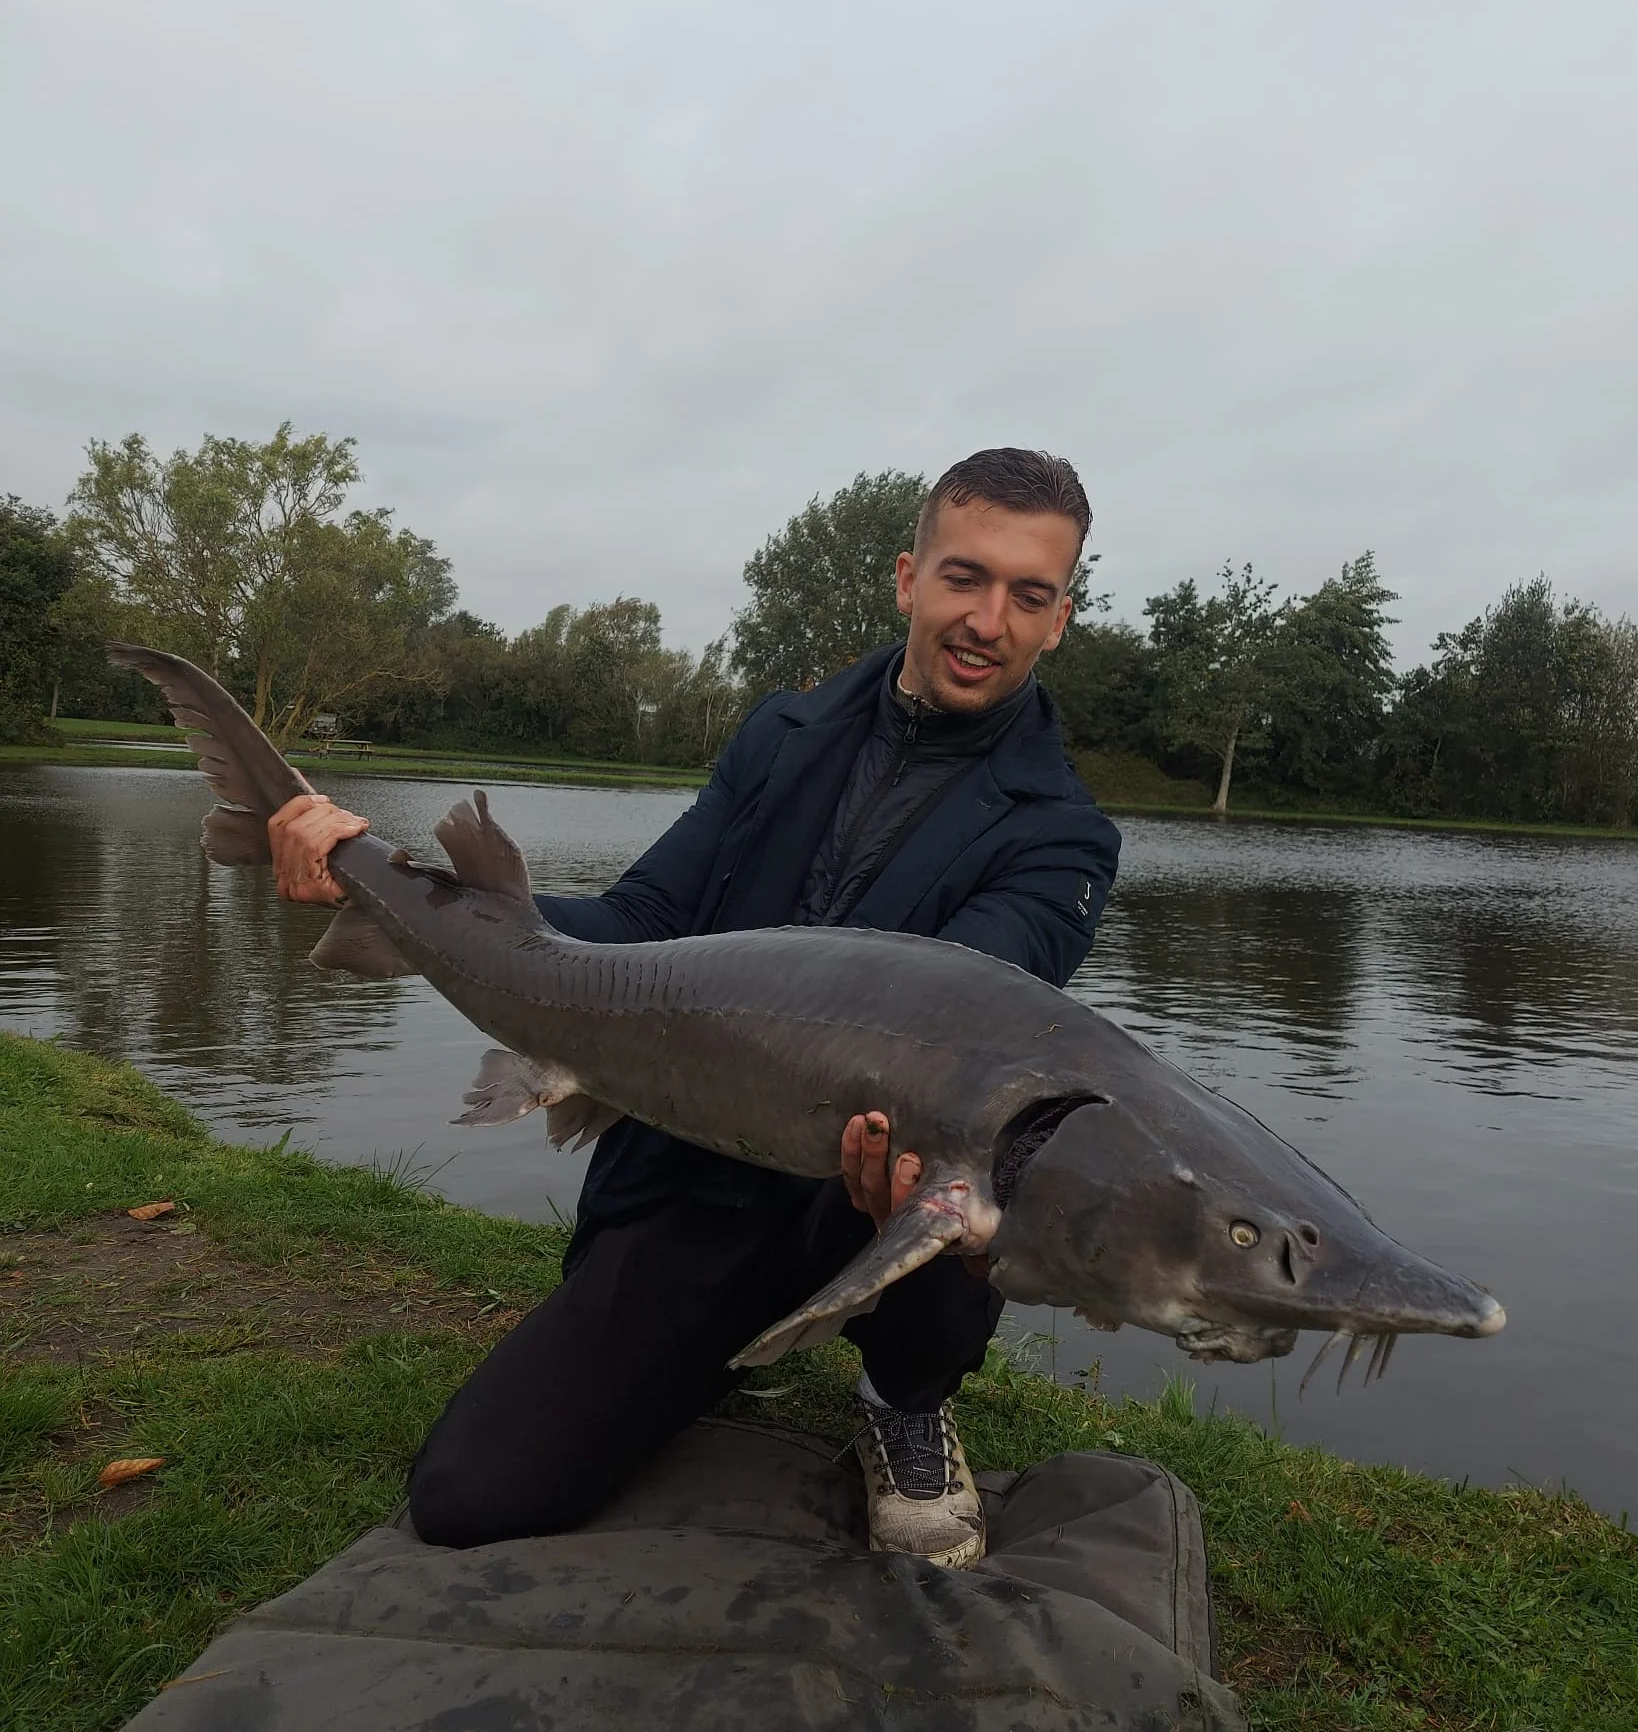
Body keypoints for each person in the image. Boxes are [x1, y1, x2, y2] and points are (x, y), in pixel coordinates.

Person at [267, 447, 1121, 1568]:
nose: (987, 620)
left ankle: (904, 1397)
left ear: (1059, 620)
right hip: (696, 1172)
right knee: (472, 1494)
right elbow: (640, 920)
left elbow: (961, 1029)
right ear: (908, 577)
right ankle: (708, 1335)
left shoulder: (1063, 836)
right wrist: (397, 889)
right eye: (965, 577)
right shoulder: (780, 735)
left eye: (1028, 594)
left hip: (870, 1195)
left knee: (974, 1161)